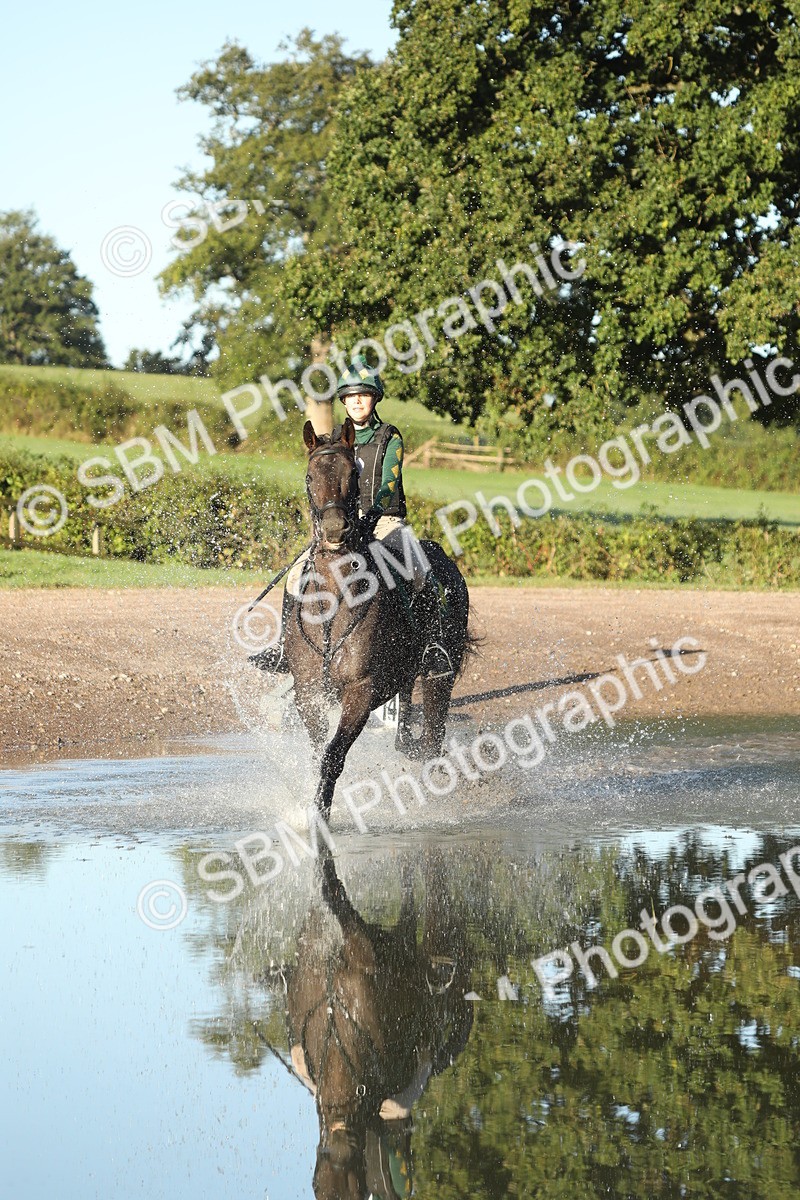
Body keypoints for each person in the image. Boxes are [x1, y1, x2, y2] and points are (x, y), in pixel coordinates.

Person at [250, 355, 453, 679]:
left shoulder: (389, 436)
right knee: (296, 575)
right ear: (344, 400)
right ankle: (284, 648)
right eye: (351, 395)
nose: (357, 400)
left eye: (364, 394)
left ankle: (431, 647)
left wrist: (371, 515)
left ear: (374, 398)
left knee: (416, 568)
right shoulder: (331, 441)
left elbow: (388, 483)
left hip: (385, 520)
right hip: (343, 522)